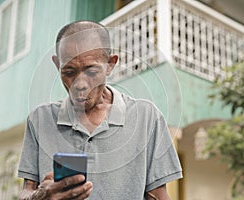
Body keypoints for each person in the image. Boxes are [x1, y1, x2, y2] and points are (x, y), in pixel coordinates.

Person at [18, 20, 182, 200]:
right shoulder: (40, 119)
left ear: (110, 64)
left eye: (91, 71)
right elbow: (28, 189)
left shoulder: (147, 117)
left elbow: (158, 195)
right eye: (69, 72)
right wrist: (39, 197)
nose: (80, 84)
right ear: (58, 65)